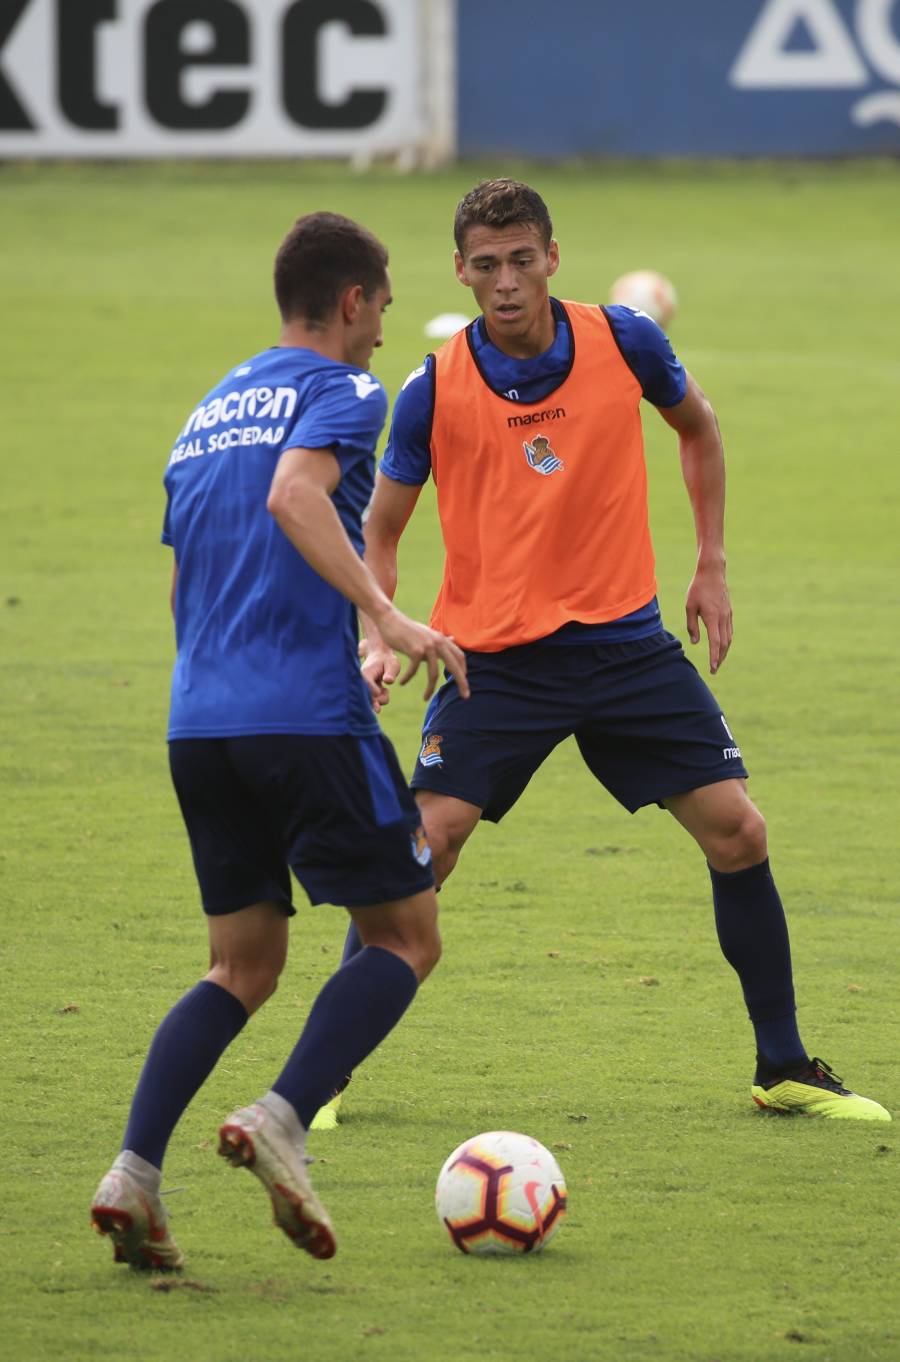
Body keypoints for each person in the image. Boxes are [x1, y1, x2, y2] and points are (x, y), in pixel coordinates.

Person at [324, 178, 889, 1127]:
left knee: (739, 832)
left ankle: (783, 1067)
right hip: (493, 660)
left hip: (626, 647)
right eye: (486, 265)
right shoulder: (432, 388)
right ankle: (323, 1077)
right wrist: (380, 628)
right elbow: (381, 527)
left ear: (552, 255)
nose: (506, 281)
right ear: (459, 272)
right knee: (426, 848)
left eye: (521, 259)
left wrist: (710, 565)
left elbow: (699, 429)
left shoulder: (626, 340)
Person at [89, 211, 470, 1270]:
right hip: (301, 714)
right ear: (353, 300)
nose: (385, 334)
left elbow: (187, 575)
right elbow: (296, 496)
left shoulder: (208, 409)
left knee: (241, 963)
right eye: (384, 309)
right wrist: (385, 622)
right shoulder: (345, 391)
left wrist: (262, 655)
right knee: (406, 935)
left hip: (199, 718)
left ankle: (135, 1172)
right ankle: (284, 1119)